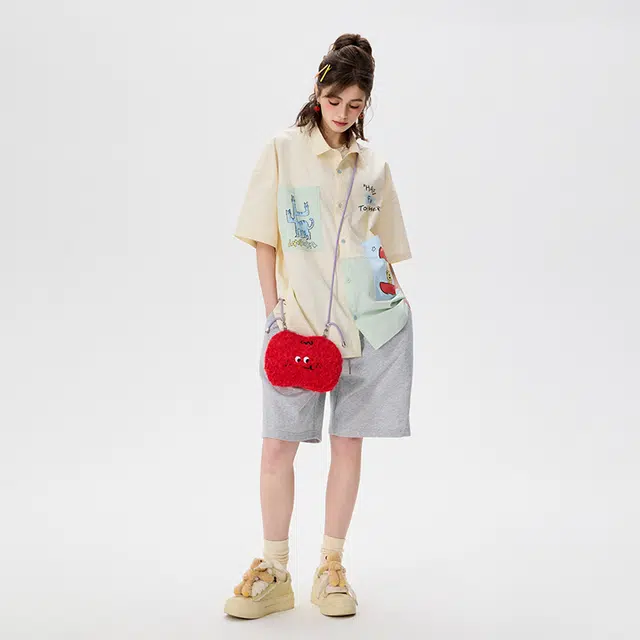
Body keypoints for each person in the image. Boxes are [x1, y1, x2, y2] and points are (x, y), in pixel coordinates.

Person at [225, 33, 413, 619]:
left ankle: (331, 567)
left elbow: (385, 250)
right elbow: (264, 238)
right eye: (334, 100)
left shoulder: (374, 166)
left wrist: (393, 312)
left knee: (348, 443)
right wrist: (273, 314)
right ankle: (274, 568)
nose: (342, 113)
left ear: (366, 104)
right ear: (318, 89)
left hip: (368, 329)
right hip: (297, 328)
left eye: (355, 105)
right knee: (278, 447)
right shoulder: (283, 150)